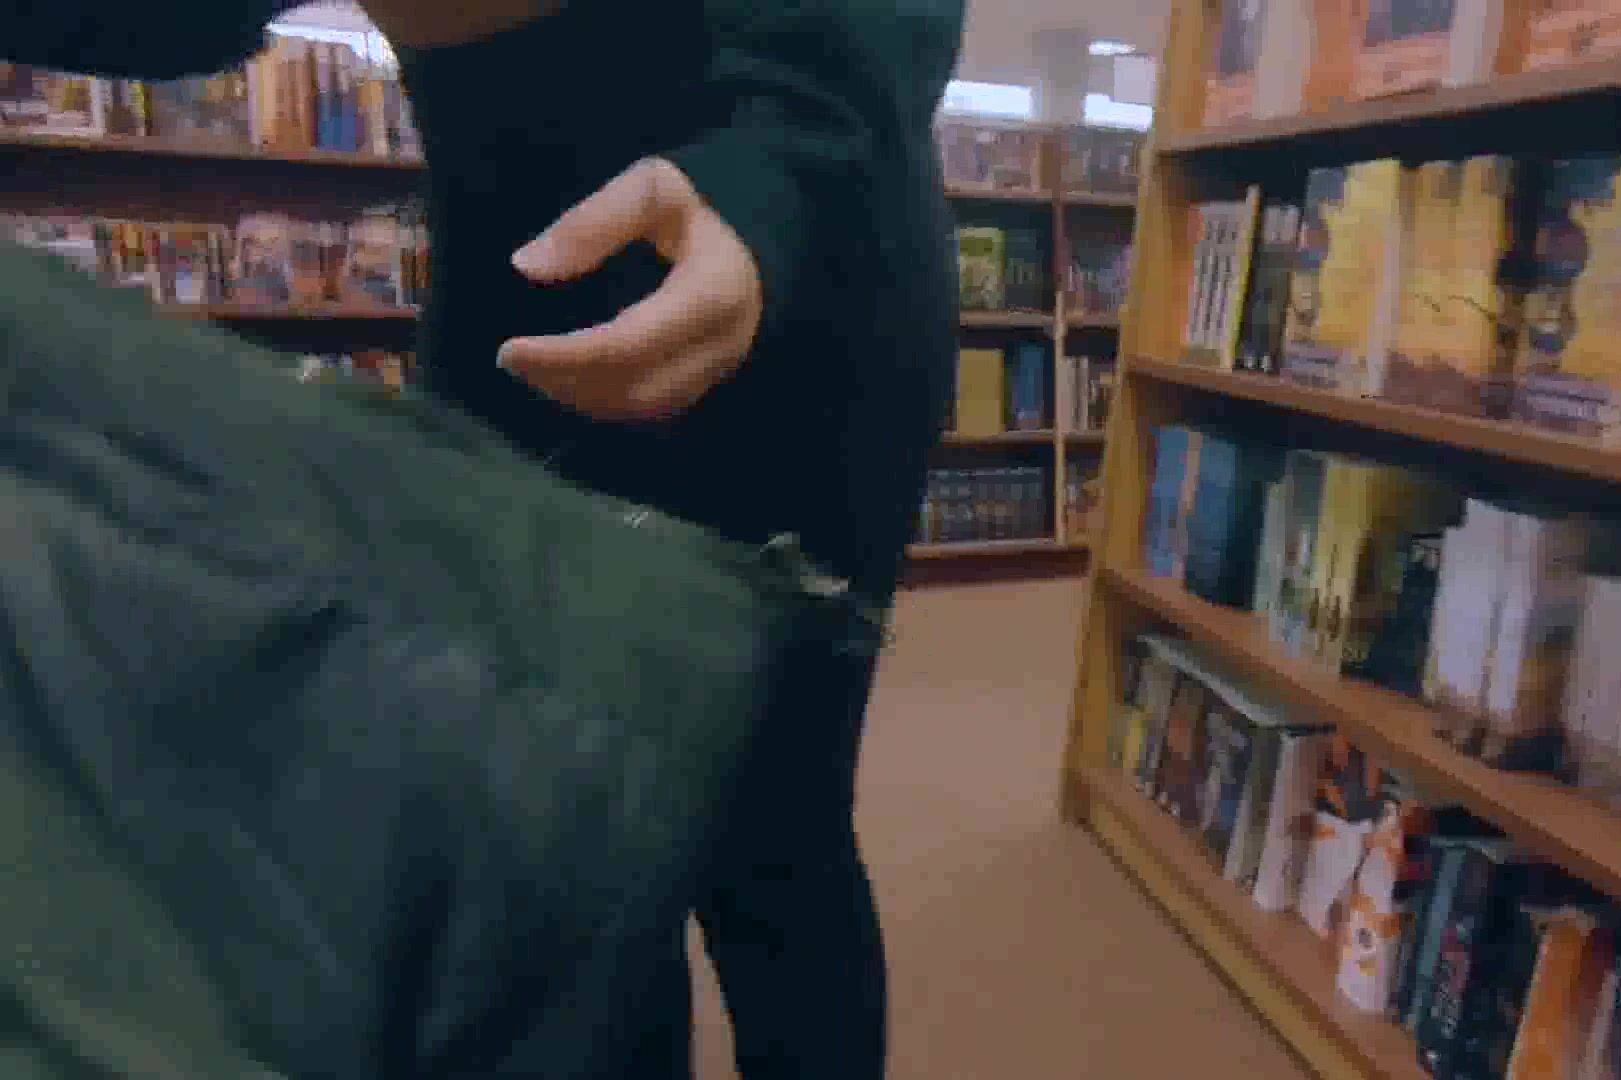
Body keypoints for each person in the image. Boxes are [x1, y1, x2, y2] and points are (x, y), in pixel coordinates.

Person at [4, 2, 965, 1078]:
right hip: (514, 253)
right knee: (544, 828)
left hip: (786, 234)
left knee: (775, 831)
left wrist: (772, 181)